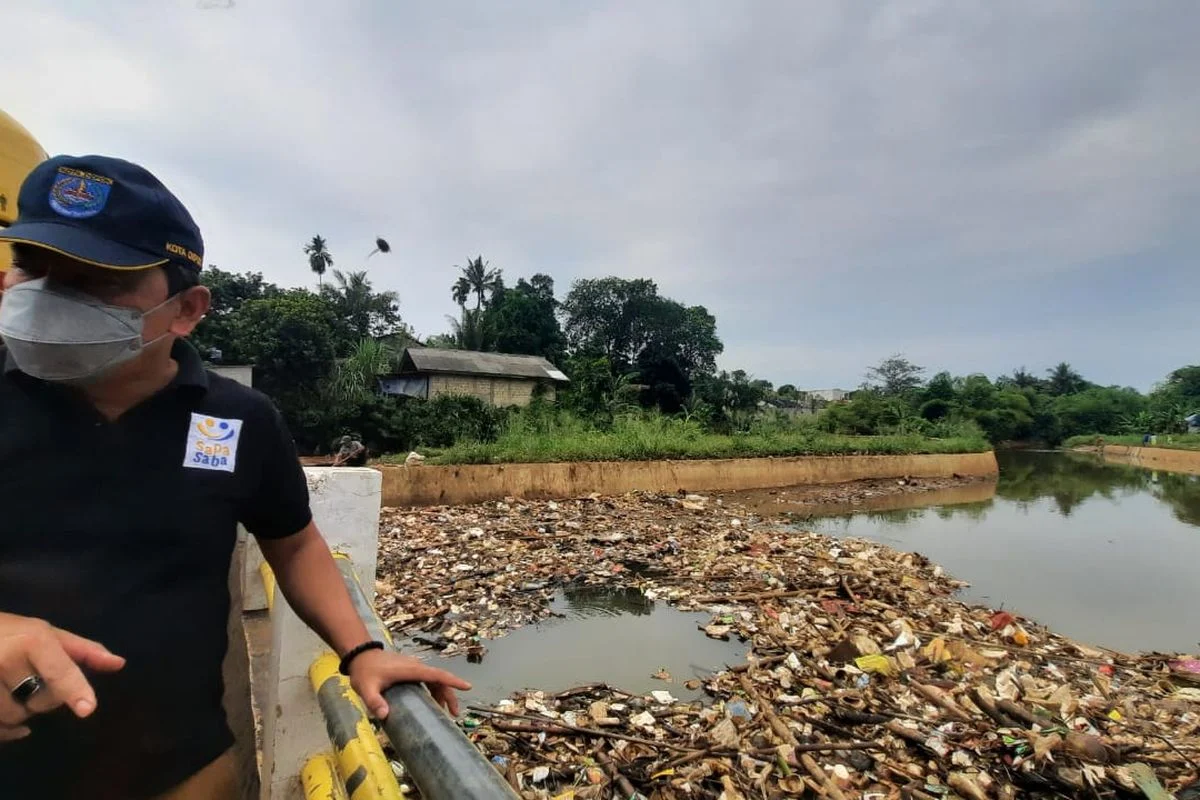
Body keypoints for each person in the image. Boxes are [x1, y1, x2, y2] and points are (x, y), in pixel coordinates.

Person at [0, 155, 469, 799]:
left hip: (182, 767)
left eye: (95, 281)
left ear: (187, 310)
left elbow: (294, 542)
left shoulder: (236, 419)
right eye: (32, 266)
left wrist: (362, 652)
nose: (50, 298)